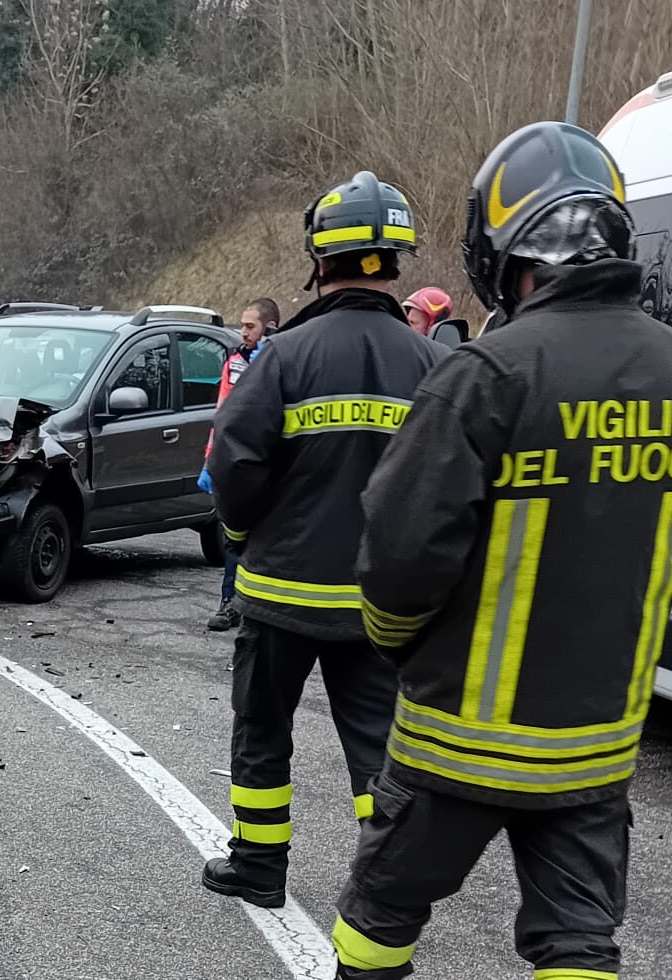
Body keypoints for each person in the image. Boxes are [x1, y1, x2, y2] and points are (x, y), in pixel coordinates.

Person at [330, 122, 672, 980]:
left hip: (456, 740)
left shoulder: (486, 373)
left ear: (504, 249)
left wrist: (400, 645)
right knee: (578, 947)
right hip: (597, 747)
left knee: (378, 920)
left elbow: (398, 556)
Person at [201, 171, 447, 909]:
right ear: (393, 262)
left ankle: (259, 865)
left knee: (263, 729)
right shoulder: (436, 366)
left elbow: (233, 465)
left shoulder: (283, 356)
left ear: (321, 261)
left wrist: (244, 538)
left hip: (279, 595)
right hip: (380, 603)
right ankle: (382, 885)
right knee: (377, 750)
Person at [199, 297, 280, 632]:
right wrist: (210, 459)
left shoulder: (283, 361)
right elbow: (223, 413)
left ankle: (266, 608)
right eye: (242, 325)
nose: (243, 332)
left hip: (270, 466)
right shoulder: (234, 361)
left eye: (250, 326)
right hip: (236, 462)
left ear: (269, 329)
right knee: (234, 535)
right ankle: (230, 603)